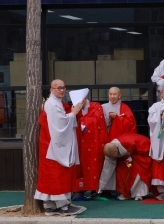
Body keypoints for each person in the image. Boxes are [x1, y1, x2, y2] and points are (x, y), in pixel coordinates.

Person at [36, 80, 87, 216]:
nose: (62, 90)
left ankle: (52, 206)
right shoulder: (52, 104)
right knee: (58, 173)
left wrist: (72, 113)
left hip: (50, 144)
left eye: (63, 87)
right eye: (58, 88)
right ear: (51, 90)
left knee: (53, 174)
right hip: (53, 145)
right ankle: (63, 206)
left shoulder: (53, 102)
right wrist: (73, 113)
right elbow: (60, 125)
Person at [72, 92, 109, 198]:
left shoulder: (96, 106)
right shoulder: (74, 108)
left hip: (94, 142)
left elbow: (97, 121)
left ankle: (95, 189)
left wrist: (81, 121)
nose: (80, 103)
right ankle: (79, 190)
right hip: (79, 141)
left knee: (95, 165)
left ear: (85, 98)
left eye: (82, 100)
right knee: (80, 166)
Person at [103, 133, 152, 201]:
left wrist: (131, 155)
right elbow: (108, 166)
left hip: (140, 155)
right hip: (126, 158)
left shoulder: (130, 142)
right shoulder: (111, 148)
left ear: (116, 151)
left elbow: (145, 148)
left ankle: (138, 193)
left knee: (139, 171)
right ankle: (124, 192)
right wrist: (102, 186)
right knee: (121, 171)